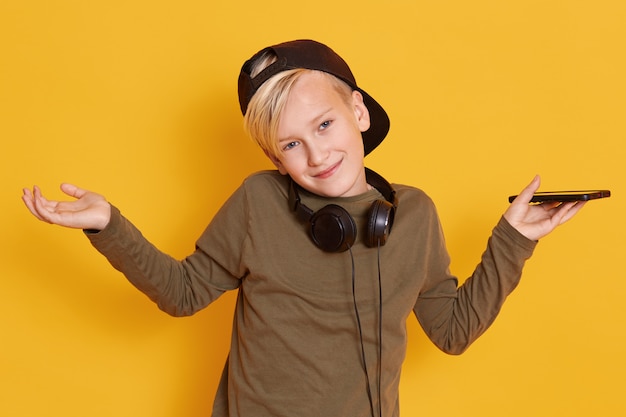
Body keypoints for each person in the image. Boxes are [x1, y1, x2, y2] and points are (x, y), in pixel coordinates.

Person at [21, 39, 585, 417]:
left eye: (325, 124)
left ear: (358, 113)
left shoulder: (414, 216)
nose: (316, 154)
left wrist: (516, 239)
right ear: (275, 157)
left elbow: (451, 331)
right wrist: (108, 226)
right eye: (291, 144)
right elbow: (183, 292)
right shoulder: (258, 202)